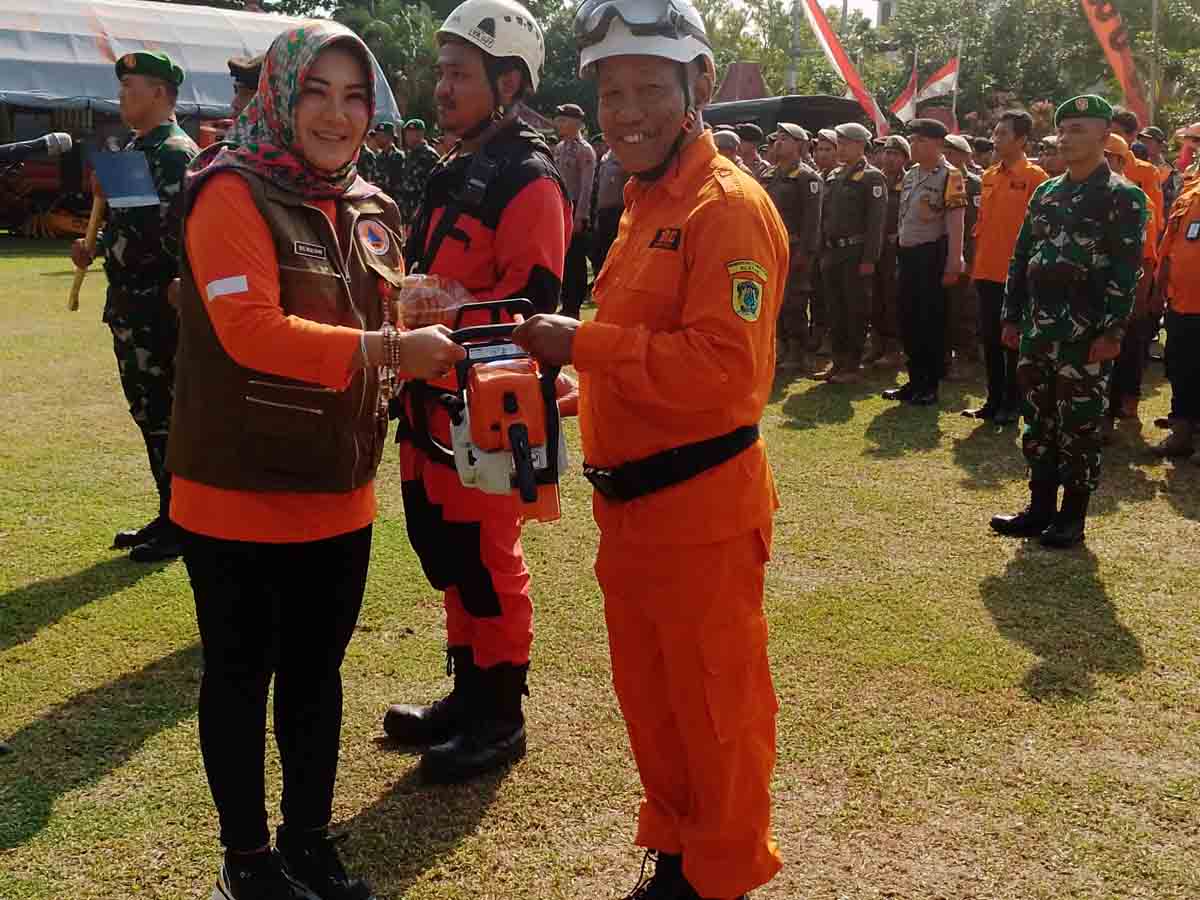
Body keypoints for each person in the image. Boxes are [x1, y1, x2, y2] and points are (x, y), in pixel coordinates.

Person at [168, 21, 466, 900]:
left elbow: (385, 312)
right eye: (317, 93)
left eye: (355, 96)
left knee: (315, 676)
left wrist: (420, 317)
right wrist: (387, 349)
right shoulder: (230, 191)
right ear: (279, 95)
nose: (337, 115)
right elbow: (249, 330)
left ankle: (306, 842)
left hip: (338, 490)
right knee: (238, 673)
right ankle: (248, 861)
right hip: (235, 488)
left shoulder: (371, 205)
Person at [513, 2, 786, 896]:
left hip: (701, 510)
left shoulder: (726, 209)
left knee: (716, 707)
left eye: (649, 89)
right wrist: (581, 388)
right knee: (655, 702)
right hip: (630, 508)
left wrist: (582, 347)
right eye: (611, 91)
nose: (626, 110)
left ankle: (723, 877)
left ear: (699, 87)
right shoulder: (640, 200)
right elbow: (649, 345)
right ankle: (676, 854)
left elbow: (720, 374)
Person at [382, 0, 572, 785]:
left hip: (486, 404)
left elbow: (533, 302)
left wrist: (446, 310)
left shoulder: (529, 179)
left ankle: (501, 712)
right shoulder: (452, 167)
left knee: (490, 558)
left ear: (509, 81)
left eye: (461, 73)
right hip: (427, 394)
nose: (443, 86)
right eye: (443, 71)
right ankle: (466, 692)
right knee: (449, 551)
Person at [990, 95, 1147, 548]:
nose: (1069, 136)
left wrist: (1114, 330)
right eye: (1065, 128)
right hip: (1039, 328)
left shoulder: (1124, 196)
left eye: (1081, 128)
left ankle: (1071, 517)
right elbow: (1022, 257)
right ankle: (1038, 508)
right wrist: (1011, 315)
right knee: (1037, 420)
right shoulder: (1047, 191)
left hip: (1086, 333)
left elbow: (1125, 270)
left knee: (1079, 423)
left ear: (1104, 135)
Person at [70, 51, 198, 562]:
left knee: (167, 413)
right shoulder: (134, 147)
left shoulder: (174, 153)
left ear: (161, 95)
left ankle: (183, 521)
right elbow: (127, 230)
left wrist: (119, 209)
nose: (122, 96)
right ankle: (170, 512)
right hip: (130, 307)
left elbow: (174, 239)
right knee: (149, 413)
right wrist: (94, 248)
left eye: (132, 87)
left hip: (158, 310)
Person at [965, 109, 1047, 424]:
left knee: (1013, 341)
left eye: (1003, 134)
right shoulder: (989, 175)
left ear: (1022, 140)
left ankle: (1014, 403)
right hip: (987, 270)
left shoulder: (1036, 178)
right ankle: (993, 399)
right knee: (989, 338)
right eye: (995, 133)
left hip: (1017, 274)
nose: (996, 139)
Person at [883, 117, 966, 406]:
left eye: (921, 140)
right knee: (908, 319)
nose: (914, 145)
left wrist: (955, 260)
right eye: (913, 139)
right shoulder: (912, 174)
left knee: (930, 321)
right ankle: (914, 380)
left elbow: (956, 220)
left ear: (938, 144)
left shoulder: (950, 175)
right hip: (908, 255)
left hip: (932, 254)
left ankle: (929, 384)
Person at [814, 122, 887, 384]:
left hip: (855, 253)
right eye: (839, 143)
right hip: (832, 253)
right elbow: (825, 217)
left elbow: (876, 222)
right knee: (834, 309)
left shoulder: (871, 177)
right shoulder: (833, 175)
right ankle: (838, 360)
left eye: (844, 143)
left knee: (854, 310)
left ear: (859, 145)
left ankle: (852, 365)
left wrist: (870, 258)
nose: (840, 148)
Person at [764, 122, 823, 373]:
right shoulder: (770, 175)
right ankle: (780, 345)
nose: (778, 143)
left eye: (785, 139)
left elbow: (813, 220)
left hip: (795, 247)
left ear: (799, 145)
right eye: (777, 139)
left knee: (794, 301)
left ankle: (797, 350)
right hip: (771, 247)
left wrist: (806, 253)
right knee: (774, 299)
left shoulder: (807, 178)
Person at [1150, 165, 1200, 457]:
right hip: (1180, 303)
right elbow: (1168, 248)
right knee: (1180, 368)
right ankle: (1181, 432)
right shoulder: (1188, 194)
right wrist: (1158, 291)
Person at [866, 133, 908, 368]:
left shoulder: (909, 181)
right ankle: (877, 343)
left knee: (893, 298)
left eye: (895, 154)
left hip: (897, 250)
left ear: (904, 158)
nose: (889, 158)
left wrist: (899, 235)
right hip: (875, 247)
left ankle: (894, 348)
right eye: (887, 153)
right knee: (875, 296)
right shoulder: (875, 180)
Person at [943, 133, 982, 377]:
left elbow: (978, 224)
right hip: (942, 249)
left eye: (950, 153)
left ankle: (965, 357)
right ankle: (945, 355)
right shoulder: (939, 178)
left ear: (963, 156)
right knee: (944, 307)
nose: (945, 157)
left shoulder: (976, 183)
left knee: (964, 308)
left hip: (966, 251)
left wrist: (973, 260)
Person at [554, 102, 598, 318]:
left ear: (577, 123)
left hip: (575, 210)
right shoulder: (559, 149)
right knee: (561, 259)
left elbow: (586, 185)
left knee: (575, 262)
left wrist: (581, 215)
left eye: (563, 120)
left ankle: (574, 307)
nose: (558, 123)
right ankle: (565, 302)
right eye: (558, 119)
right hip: (559, 210)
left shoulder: (585, 150)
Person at [590, 136, 627, 277]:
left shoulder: (625, 156)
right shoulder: (606, 157)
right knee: (600, 251)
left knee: (614, 252)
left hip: (618, 211)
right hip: (602, 211)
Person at [397, 117, 440, 226]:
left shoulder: (430, 156)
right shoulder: (410, 155)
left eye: (413, 133)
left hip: (422, 213)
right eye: (407, 133)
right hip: (407, 211)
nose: (409, 137)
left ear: (421, 134)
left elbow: (435, 187)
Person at [372, 120, 405, 198]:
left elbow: (396, 183)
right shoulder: (379, 156)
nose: (377, 138)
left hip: (395, 200)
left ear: (390, 137)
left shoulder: (398, 156)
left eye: (381, 136)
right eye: (377, 135)